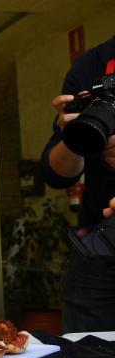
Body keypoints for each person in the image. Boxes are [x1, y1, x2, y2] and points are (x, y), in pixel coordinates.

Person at [41, 35, 115, 332]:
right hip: (101, 252)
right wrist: (75, 137)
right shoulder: (93, 64)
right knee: (84, 348)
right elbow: (56, 174)